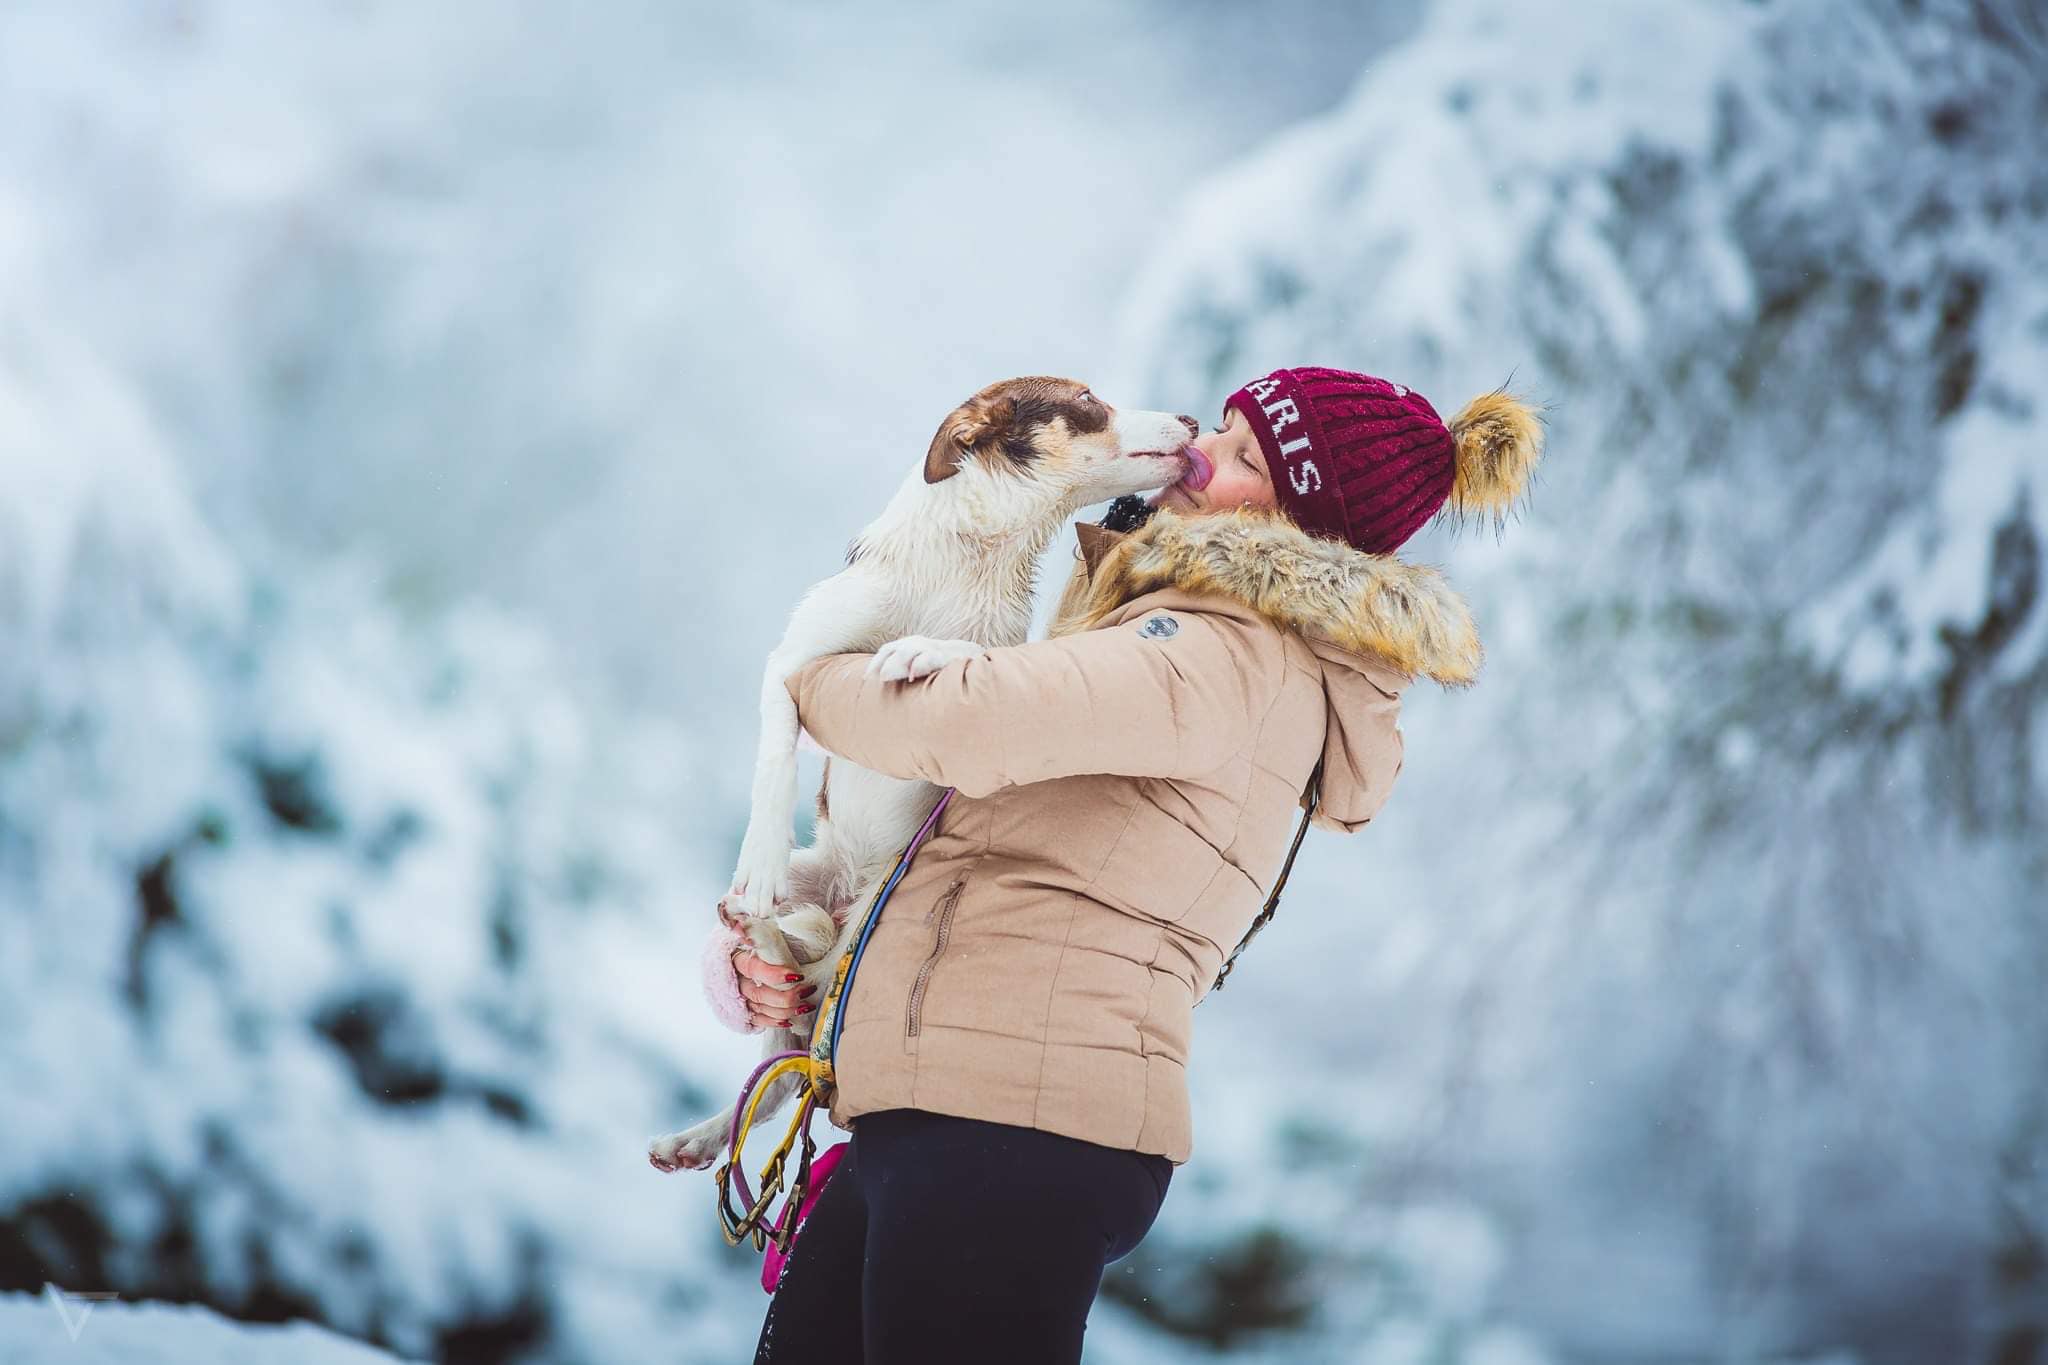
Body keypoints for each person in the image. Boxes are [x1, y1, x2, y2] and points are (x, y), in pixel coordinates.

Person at [713, 366, 1542, 1363]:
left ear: (1306, 527)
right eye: (1224, 426)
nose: (1202, 451)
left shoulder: (1224, 651)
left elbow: (963, 721)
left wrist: (807, 676)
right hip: (956, 1112)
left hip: (1009, 1131)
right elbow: (969, 852)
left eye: (1245, 457)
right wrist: (791, 952)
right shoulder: (1179, 627)